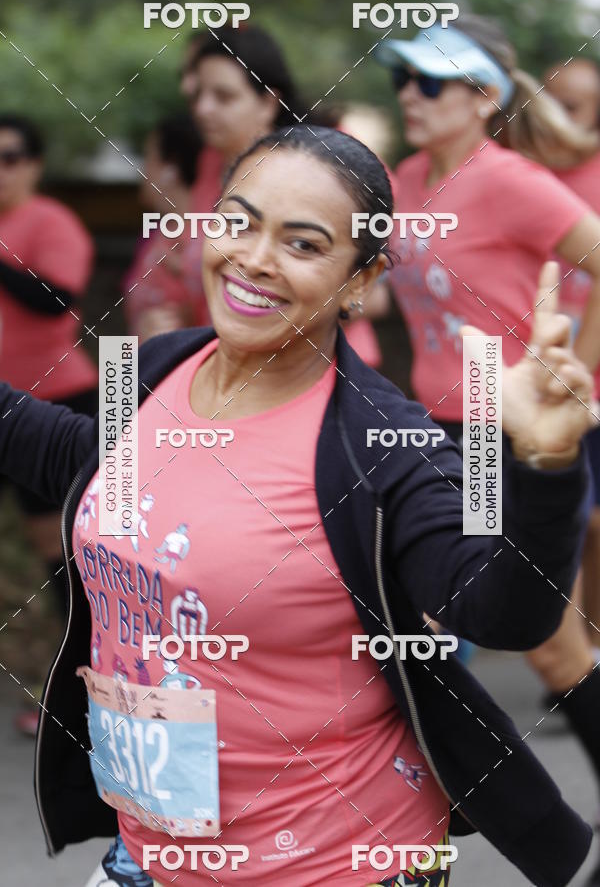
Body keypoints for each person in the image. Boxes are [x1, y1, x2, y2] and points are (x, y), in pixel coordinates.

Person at [1, 126, 597, 887]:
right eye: (238, 222)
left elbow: (503, 615)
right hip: (150, 853)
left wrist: (546, 465)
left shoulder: (379, 444)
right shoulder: (151, 364)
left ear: (360, 280)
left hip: (335, 863)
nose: (254, 258)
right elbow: (71, 457)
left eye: (304, 244)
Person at [375, 19, 600, 880]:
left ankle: (455, 830)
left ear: (483, 96)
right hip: (438, 432)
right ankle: (418, 835)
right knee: (432, 631)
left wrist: (574, 372)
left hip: (502, 432)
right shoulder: (402, 181)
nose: (410, 95)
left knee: (542, 648)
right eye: (403, 79)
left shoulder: (511, 182)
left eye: (430, 82)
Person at [186, 25, 386, 365]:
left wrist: (272, 328)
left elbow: (376, 297)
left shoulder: (336, 162)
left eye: (224, 96)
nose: (203, 108)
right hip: (228, 369)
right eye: (197, 94)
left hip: (319, 372)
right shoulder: (209, 164)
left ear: (268, 102)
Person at [0, 114, 97, 734]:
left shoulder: (50, 221)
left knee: (63, 550)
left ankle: (81, 684)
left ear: (34, 164)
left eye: (10, 156)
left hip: (56, 406)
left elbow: (56, 299)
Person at [544, 58, 600, 655]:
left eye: (573, 107)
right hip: (504, 391)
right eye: (549, 101)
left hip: (582, 385)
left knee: (592, 522)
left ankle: (584, 656)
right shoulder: (525, 172)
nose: (557, 118)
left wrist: (575, 373)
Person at [121, 114, 204, 342]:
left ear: (171, 169)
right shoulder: (155, 235)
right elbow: (133, 328)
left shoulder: (198, 243)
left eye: (148, 157)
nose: (142, 170)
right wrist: (114, 365)